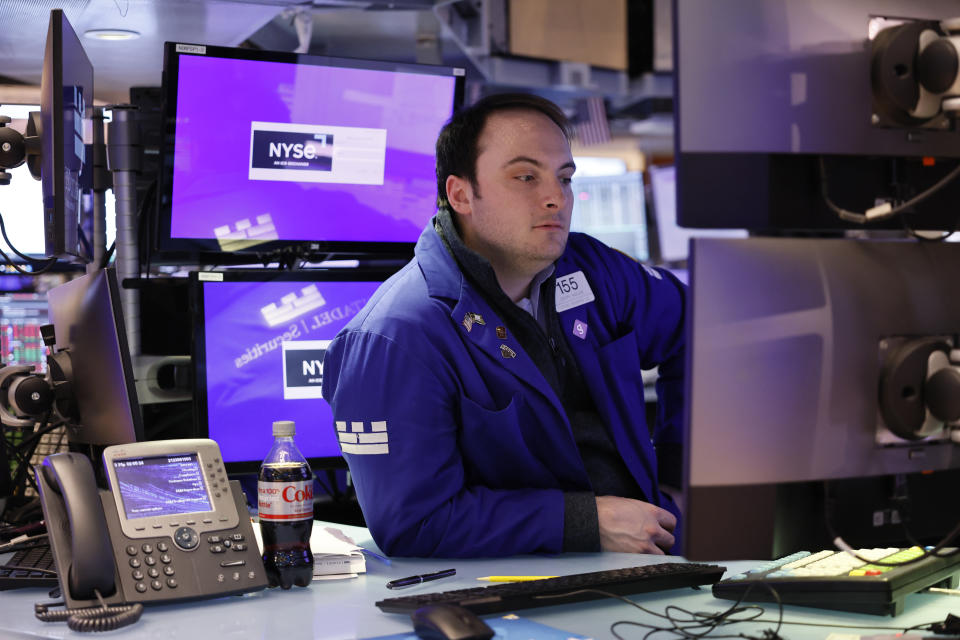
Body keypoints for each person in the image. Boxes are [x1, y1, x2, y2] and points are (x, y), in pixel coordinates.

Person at [321, 93, 687, 558]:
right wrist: (583, 523)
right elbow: (413, 523)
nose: (556, 197)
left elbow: (695, 334)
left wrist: (676, 466)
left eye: (564, 177)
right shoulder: (395, 337)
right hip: (518, 595)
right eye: (525, 177)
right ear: (461, 194)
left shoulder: (595, 270)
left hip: (654, 557)